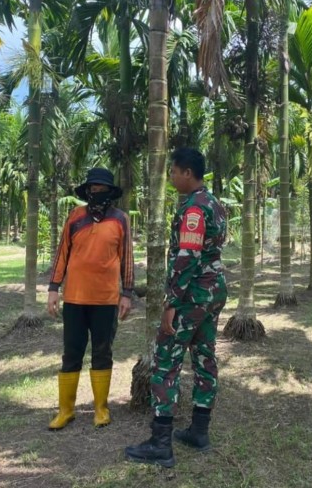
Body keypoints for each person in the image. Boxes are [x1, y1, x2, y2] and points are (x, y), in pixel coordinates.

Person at [125, 147, 228, 467]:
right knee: (203, 357)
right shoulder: (215, 203)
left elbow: (188, 257)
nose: (170, 177)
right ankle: (199, 431)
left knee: (165, 363)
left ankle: (160, 444)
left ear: (187, 173)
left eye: (173, 172)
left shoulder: (195, 210)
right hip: (212, 292)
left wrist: (172, 302)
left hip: (192, 295)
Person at [46, 168, 134, 430]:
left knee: (102, 352)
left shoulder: (121, 219)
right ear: (87, 192)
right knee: (71, 353)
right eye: (92, 189)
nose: (97, 194)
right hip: (74, 297)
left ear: (110, 192)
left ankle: (100, 408)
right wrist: (53, 288)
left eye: (101, 189)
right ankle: (66, 410)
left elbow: (127, 258)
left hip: (106, 300)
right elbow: (62, 253)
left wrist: (127, 293)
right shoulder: (75, 217)